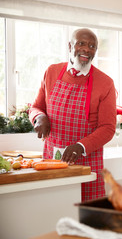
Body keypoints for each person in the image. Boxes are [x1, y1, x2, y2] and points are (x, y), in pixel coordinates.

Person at [29, 28, 117, 202]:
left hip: (87, 163)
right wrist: (39, 117)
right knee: (53, 208)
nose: (86, 49)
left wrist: (81, 146)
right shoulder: (51, 72)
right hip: (52, 162)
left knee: (88, 216)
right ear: (70, 46)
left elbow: (108, 128)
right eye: (81, 43)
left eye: (92, 46)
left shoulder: (105, 83)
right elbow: (36, 107)